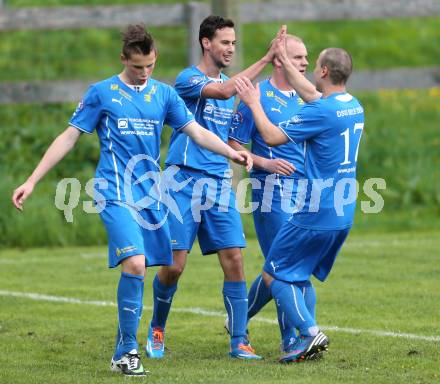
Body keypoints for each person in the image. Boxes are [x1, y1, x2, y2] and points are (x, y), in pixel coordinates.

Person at [12, 24, 252, 376]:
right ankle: (126, 351)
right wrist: (32, 180)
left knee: (157, 266)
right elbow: (69, 137)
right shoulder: (102, 93)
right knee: (136, 263)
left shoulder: (164, 95)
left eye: (150, 66)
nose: (143, 74)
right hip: (113, 191)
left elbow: (197, 132)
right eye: (137, 67)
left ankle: (127, 347)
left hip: (150, 195)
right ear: (124, 59)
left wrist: (231, 154)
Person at [145, 15, 277, 360]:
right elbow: (222, 89)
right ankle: (157, 328)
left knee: (234, 259)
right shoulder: (189, 79)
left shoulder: (231, 87)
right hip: (183, 180)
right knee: (174, 265)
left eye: (234, 43)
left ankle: (239, 340)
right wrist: (265, 59)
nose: (230, 48)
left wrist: (241, 155)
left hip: (218, 182)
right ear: (206, 43)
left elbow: (229, 118)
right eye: (224, 42)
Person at [235, 26, 364, 363]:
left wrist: (253, 103)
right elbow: (310, 91)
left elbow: (273, 136)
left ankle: (307, 333)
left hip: (314, 209)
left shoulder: (319, 111)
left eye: (312, 61)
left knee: (276, 274)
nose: (305, 65)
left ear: (323, 70)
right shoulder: (352, 105)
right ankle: (286, 336)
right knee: (295, 272)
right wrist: (280, 58)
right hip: (343, 210)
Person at [228, 34, 321, 343]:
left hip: (306, 192)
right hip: (271, 191)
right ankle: (291, 338)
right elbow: (233, 144)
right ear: (280, 60)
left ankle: (239, 318)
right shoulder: (257, 96)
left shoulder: (307, 97)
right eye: (298, 57)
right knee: (285, 268)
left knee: (287, 266)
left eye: (307, 57)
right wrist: (263, 163)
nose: (305, 63)